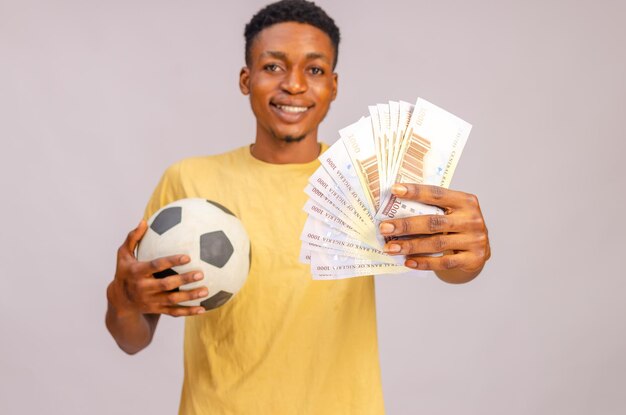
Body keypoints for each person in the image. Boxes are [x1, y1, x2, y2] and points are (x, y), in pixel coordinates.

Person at [105, 1, 491, 413]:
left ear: (334, 85)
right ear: (245, 78)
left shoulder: (367, 180)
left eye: (314, 69)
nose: (293, 85)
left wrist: (468, 257)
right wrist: (122, 300)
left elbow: (444, 262)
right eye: (273, 67)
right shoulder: (187, 182)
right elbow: (134, 337)